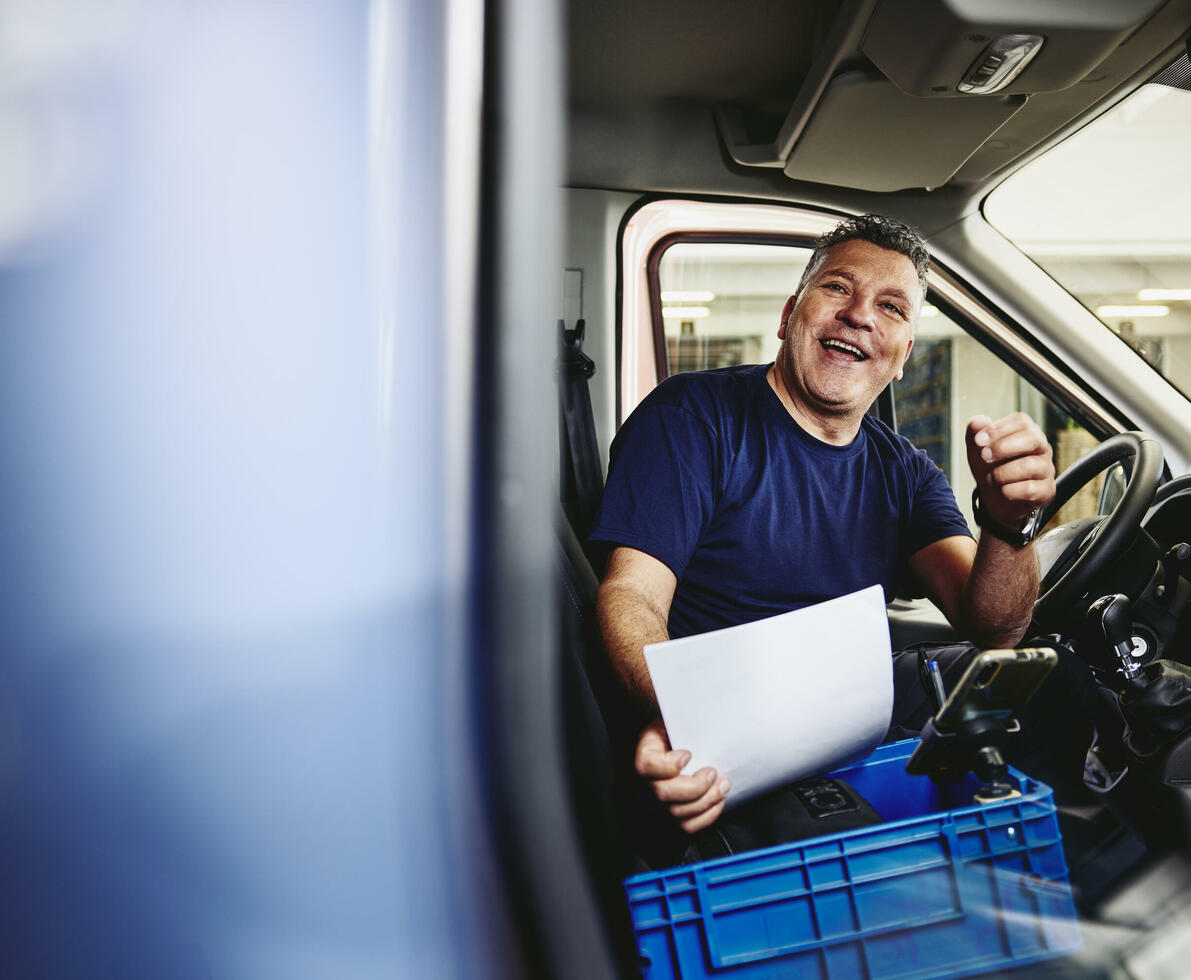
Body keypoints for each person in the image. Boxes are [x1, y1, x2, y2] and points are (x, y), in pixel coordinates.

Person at [590, 213, 1098, 847]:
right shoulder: (693, 417)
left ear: (904, 354)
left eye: (891, 307)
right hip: (735, 723)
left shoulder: (903, 470)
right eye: (837, 288)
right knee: (851, 844)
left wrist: (1009, 521)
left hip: (852, 708)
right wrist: (679, 717)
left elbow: (996, 627)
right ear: (787, 317)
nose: (860, 315)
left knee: (1049, 677)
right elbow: (631, 595)